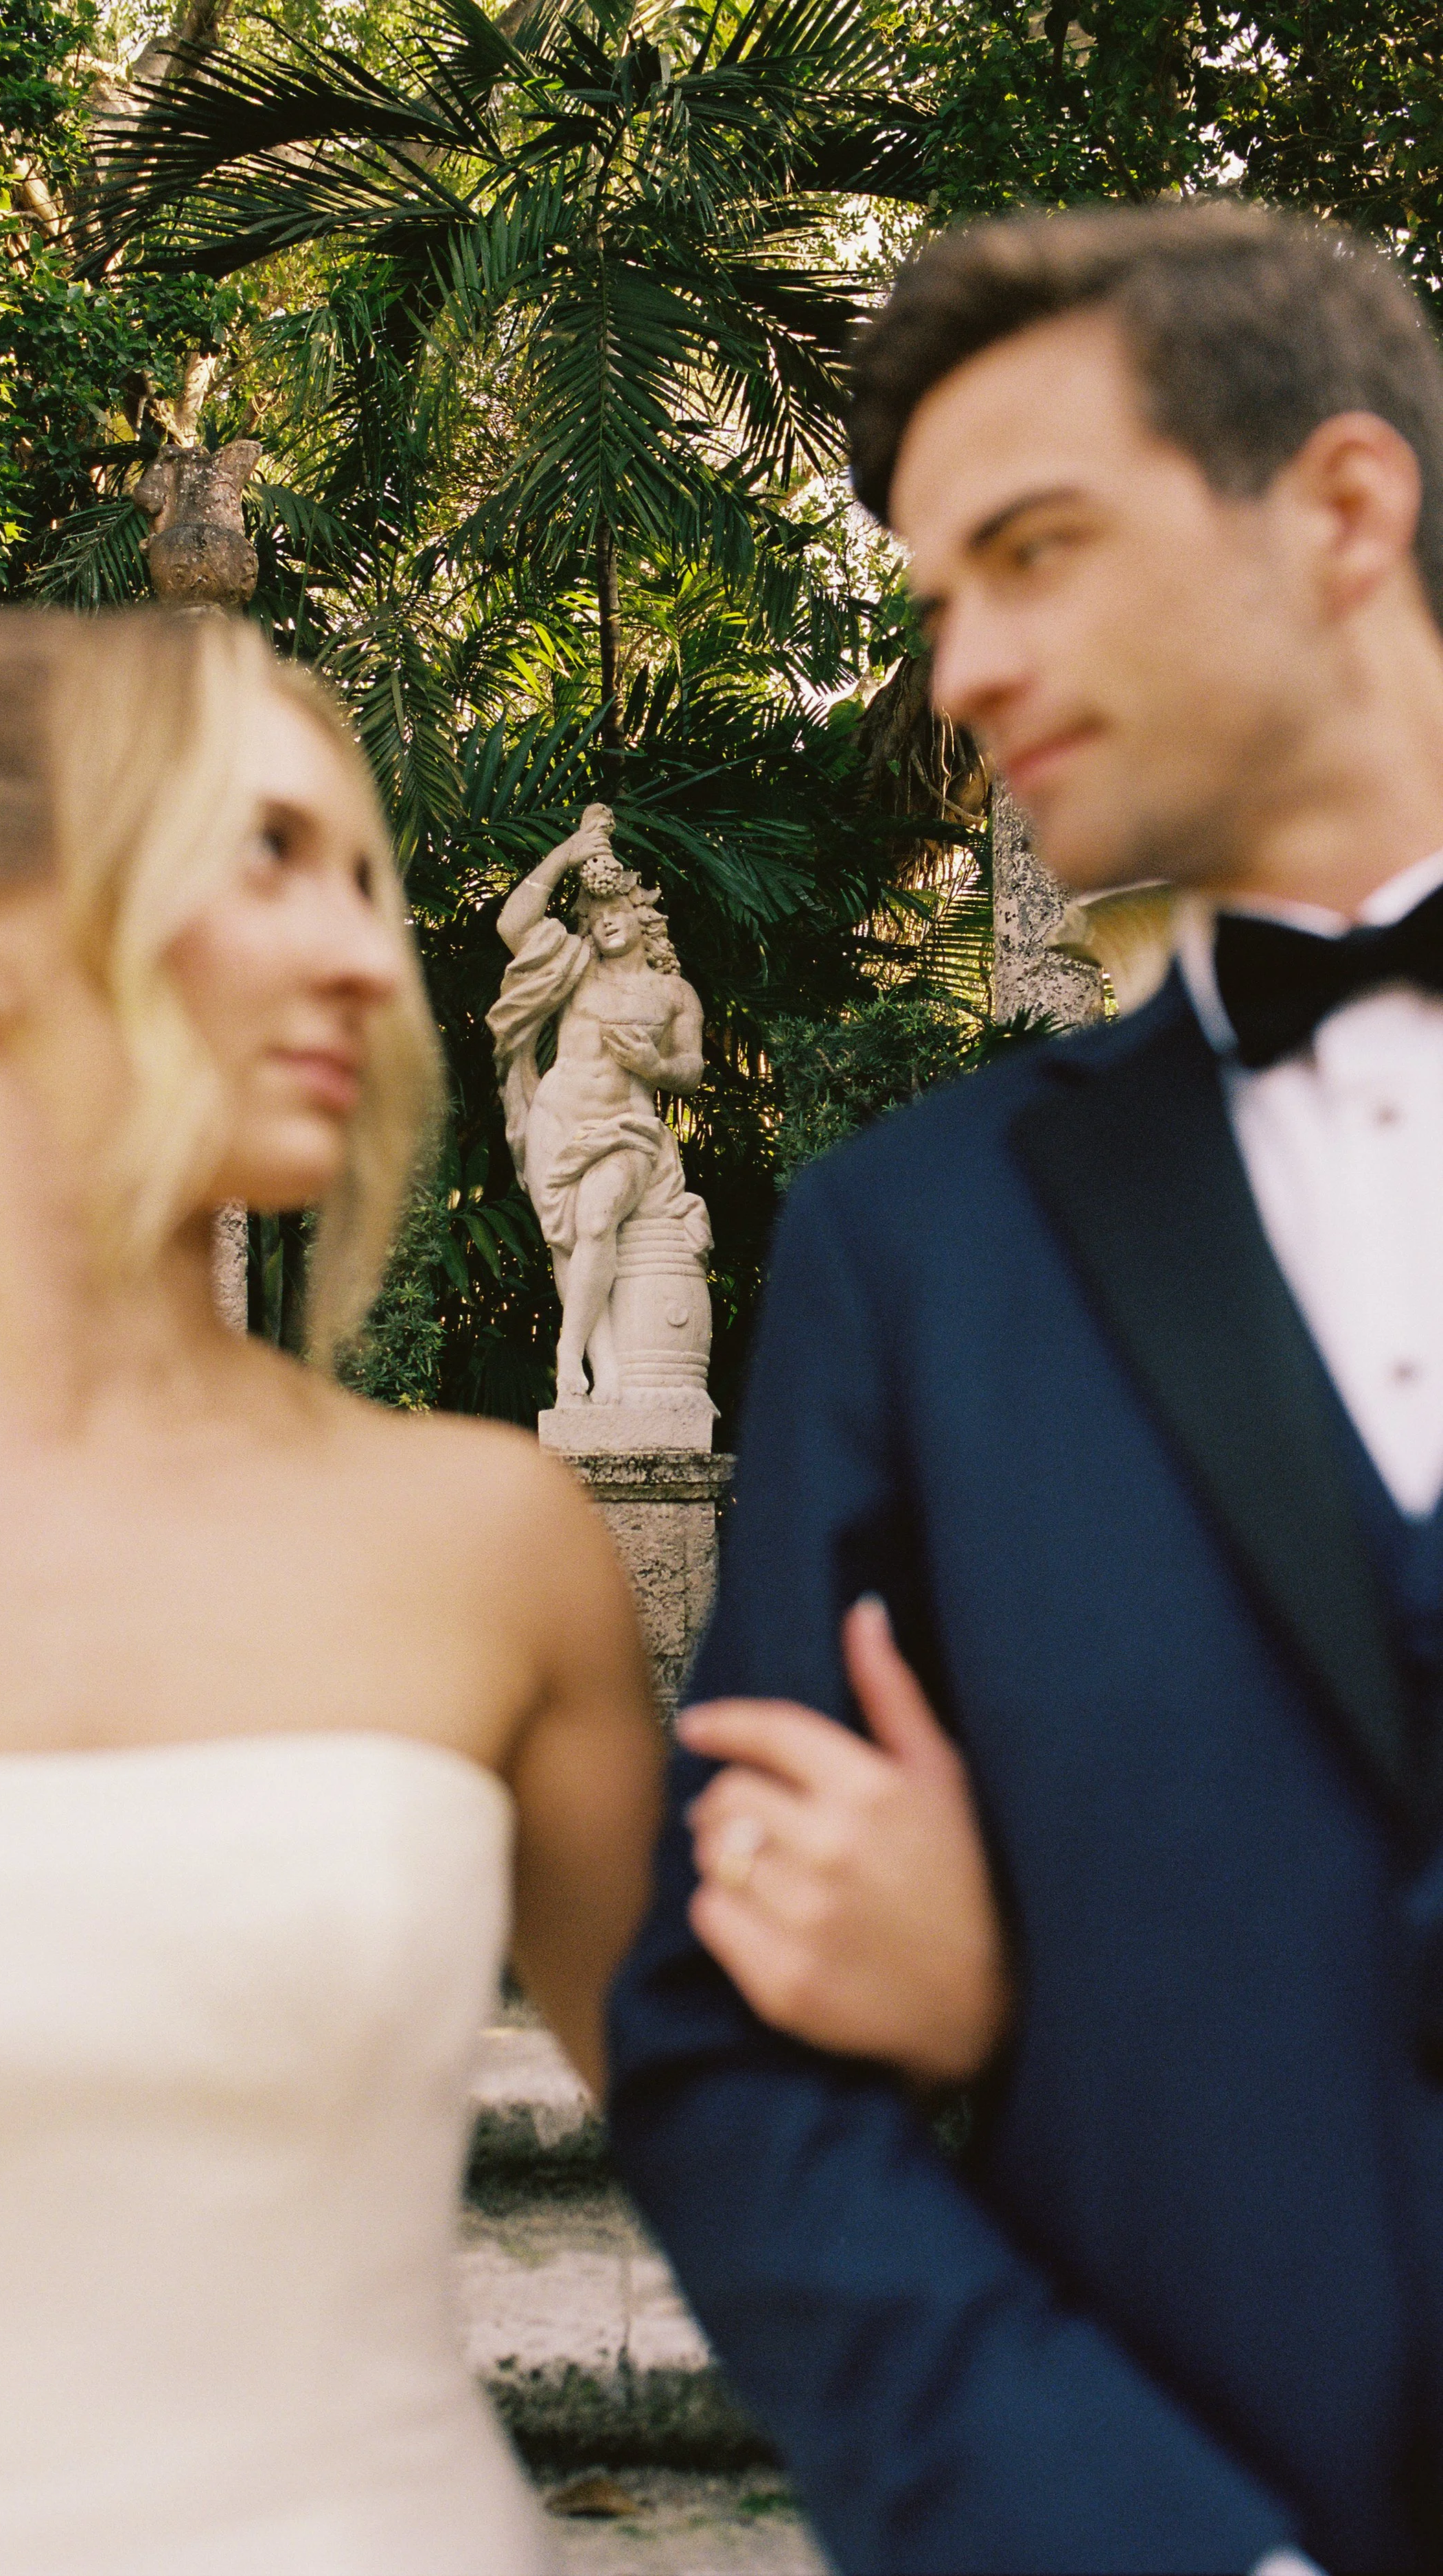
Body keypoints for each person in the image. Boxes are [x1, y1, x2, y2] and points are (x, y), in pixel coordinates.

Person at [609, 198, 1443, 2576]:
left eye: (1034, 553)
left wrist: (1026, 1990)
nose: (963, 665)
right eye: (932, 592)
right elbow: (725, 2049)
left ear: (1345, 511)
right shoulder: (918, 1245)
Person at [0, 603, 674, 2576]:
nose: (358, 954)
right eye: (261, 859)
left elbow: (766, 2163)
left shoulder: (490, 1543)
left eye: (363, 879)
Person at [487, 804, 710, 1404]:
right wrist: (570, 849)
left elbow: (691, 1068)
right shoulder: (576, 967)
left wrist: (656, 1067)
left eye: (616, 910)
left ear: (641, 916)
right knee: (569, 1239)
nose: (607, 922)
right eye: (596, 914)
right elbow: (514, 925)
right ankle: (600, 1372)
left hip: (629, 1127)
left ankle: (566, 1352)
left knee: (595, 1217)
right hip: (555, 1118)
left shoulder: (673, 993)